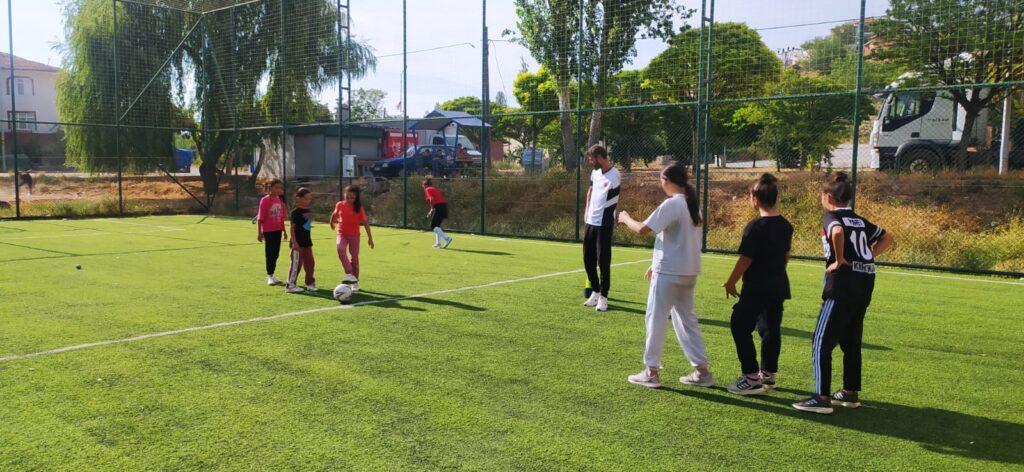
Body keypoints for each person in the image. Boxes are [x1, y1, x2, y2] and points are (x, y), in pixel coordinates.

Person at [793, 172, 895, 414]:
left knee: (821, 342)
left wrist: (840, 260)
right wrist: (868, 257)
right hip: (865, 282)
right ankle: (849, 393)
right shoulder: (859, 220)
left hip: (842, 283)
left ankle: (821, 397)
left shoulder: (832, 216)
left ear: (828, 196)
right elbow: (887, 237)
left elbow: (837, 232)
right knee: (851, 340)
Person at [618, 163, 714, 389]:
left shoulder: (672, 204)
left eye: (661, 179)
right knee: (686, 321)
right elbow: (678, 239)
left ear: (668, 180)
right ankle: (702, 372)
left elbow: (643, 229)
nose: (661, 184)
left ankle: (651, 371)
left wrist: (625, 218)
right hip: (687, 271)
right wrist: (655, 264)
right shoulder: (692, 206)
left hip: (670, 272)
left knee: (655, 318)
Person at [723, 174, 794, 395]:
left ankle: (751, 376)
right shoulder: (785, 225)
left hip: (756, 287)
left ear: (755, 199)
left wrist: (730, 282)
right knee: (770, 328)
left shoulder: (754, 227)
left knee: (739, 324)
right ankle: (768, 375)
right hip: (778, 285)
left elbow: (746, 259)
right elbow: (785, 256)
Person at [582, 144, 620, 313]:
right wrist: (586, 212)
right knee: (587, 259)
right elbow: (590, 191)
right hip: (590, 222)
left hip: (604, 224)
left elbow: (612, 201)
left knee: (602, 261)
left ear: (599, 157)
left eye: (591, 159)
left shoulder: (615, 174)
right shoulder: (595, 173)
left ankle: (604, 297)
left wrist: (604, 219)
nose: (590, 162)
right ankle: (596, 292)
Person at [330, 185, 375, 292]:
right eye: (348, 197)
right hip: (342, 234)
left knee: (354, 259)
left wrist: (370, 238)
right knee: (340, 249)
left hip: (354, 236)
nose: (350, 199)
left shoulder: (359, 208)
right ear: (344, 195)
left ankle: (355, 282)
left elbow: (365, 223)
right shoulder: (340, 205)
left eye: (352, 198)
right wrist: (331, 222)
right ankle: (349, 273)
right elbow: (334, 214)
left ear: (356, 198)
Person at [285, 187, 317, 294]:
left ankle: (310, 283)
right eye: (306, 199)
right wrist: (294, 242)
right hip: (297, 243)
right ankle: (290, 285)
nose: (308, 201)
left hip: (307, 242)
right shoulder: (295, 212)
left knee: (310, 263)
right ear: (298, 198)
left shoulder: (308, 210)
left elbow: (307, 225)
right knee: (296, 264)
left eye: (309, 199)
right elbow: (292, 228)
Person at [256, 179, 288, 286]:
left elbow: (282, 217)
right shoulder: (265, 200)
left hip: (278, 230)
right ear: (270, 188)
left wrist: (284, 231)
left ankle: (273, 274)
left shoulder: (280, 200)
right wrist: (260, 233)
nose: (279, 190)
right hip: (268, 231)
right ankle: (269, 275)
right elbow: (260, 218)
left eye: (280, 187)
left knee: (276, 253)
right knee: (269, 253)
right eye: (276, 187)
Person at [423, 178, 453, 249]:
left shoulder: (427, 189)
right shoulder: (433, 188)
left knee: (433, 226)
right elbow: (434, 200)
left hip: (440, 207)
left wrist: (431, 209)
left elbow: (431, 199)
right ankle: (438, 243)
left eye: (423, 185)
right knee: (437, 226)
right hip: (443, 207)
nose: (423, 187)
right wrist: (432, 209)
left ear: (425, 185)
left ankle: (447, 239)